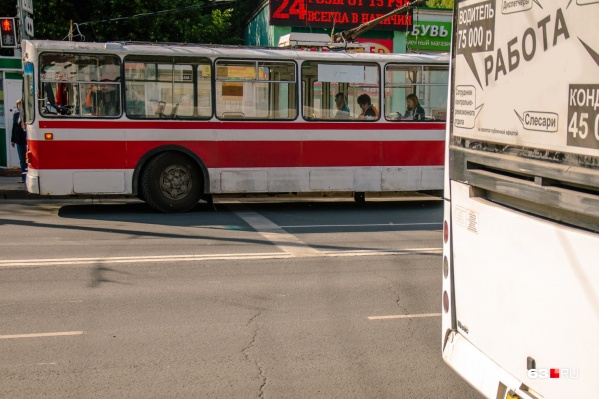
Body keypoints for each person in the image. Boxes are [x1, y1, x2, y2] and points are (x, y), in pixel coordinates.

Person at [11, 99, 27, 183]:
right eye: (18, 104)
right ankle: (24, 178)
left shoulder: (27, 115)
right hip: (18, 140)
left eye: (20, 104)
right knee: (22, 160)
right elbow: (14, 128)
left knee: (28, 159)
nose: (19, 106)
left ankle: (28, 177)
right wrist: (13, 140)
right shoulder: (16, 115)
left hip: (26, 140)